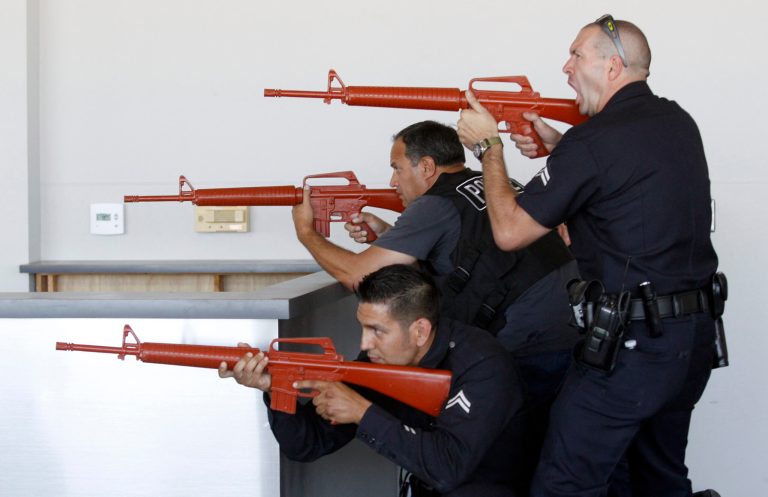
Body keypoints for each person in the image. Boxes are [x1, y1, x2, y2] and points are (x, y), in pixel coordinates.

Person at [457, 14, 720, 497]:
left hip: (631, 351)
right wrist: (562, 153)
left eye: (577, 54)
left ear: (613, 66)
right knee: (655, 481)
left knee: (565, 486)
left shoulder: (593, 142)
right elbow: (628, 194)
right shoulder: (677, 121)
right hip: (690, 343)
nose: (565, 67)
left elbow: (510, 232)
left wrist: (489, 147)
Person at [292, 121, 580, 434]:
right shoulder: (495, 182)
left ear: (427, 166)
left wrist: (306, 233)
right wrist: (390, 236)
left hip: (527, 345)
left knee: (507, 450)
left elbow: (358, 277)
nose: (392, 181)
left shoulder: (433, 204)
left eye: (397, 168)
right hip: (572, 331)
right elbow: (471, 252)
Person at [218, 264, 536, 496]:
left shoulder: (483, 364)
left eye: (377, 331)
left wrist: (362, 411)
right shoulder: (380, 362)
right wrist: (275, 388)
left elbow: (448, 468)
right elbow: (306, 445)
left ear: (421, 330)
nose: (364, 344)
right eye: (363, 328)